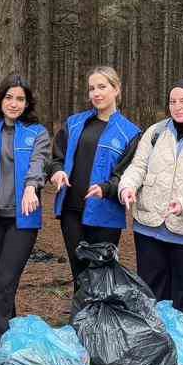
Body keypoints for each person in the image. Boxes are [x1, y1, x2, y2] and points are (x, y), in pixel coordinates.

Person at [117, 79, 183, 327]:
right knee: (151, 292)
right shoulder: (155, 132)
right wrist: (128, 187)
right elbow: (138, 167)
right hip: (149, 226)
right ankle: (154, 347)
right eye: (173, 102)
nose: (178, 107)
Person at [0, 75, 50, 343]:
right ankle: (9, 339)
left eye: (20, 99)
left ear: (27, 103)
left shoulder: (37, 133)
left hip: (22, 219)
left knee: (6, 279)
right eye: (9, 97)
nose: (14, 104)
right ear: (0, 99)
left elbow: (39, 163)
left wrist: (31, 187)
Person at [47, 66, 139, 280]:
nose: (96, 93)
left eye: (102, 87)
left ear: (116, 89)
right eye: (91, 89)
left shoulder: (130, 132)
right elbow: (56, 158)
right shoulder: (75, 123)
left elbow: (128, 175)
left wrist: (106, 188)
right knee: (79, 274)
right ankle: (81, 315)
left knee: (101, 276)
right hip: (71, 211)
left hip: (105, 215)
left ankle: (102, 314)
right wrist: (57, 172)